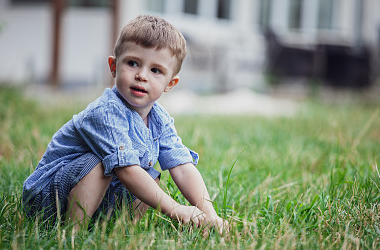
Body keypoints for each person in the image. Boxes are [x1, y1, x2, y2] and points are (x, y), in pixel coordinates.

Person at [22, 15, 227, 234]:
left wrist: (209, 214)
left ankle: (119, 230)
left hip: (97, 193)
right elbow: (126, 171)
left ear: (170, 83)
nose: (141, 76)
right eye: (132, 63)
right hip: (48, 198)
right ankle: (73, 233)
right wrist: (175, 209)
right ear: (113, 66)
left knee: (151, 176)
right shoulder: (106, 113)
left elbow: (183, 168)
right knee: (100, 163)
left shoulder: (160, 119)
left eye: (155, 70)